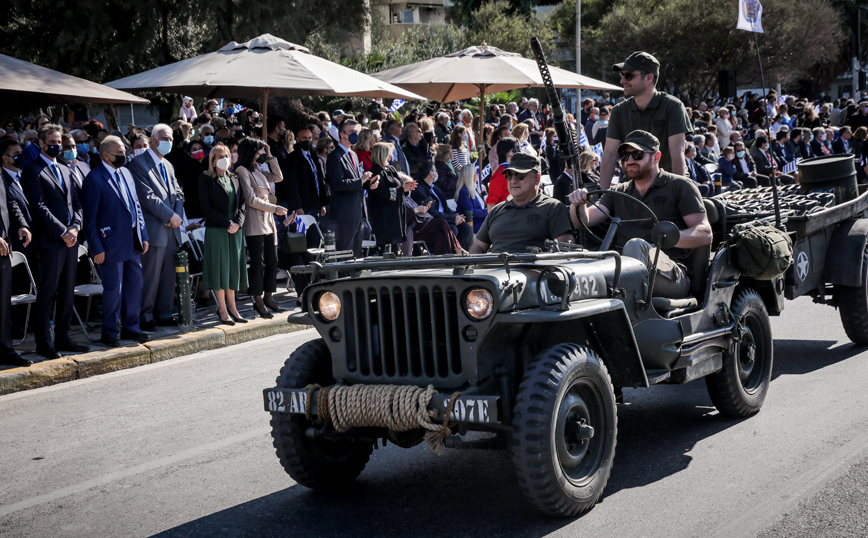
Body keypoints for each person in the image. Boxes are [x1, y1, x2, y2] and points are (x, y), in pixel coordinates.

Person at [569, 130, 711, 298]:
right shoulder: (619, 191)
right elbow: (584, 220)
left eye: (637, 155)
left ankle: (627, 304)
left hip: (671, 273)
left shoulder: (679, 186)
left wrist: (667, 238)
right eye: (624, 156)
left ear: (656, 157)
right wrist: (577, 203)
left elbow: (704, 233)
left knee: (635, 245)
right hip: (622, 269)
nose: (629, 161)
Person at [21, 124, 89, 358]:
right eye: (52, 142)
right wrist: (63, 232)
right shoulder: (33, 170)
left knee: (68, 291)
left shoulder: (66, 169)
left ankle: (63, 336)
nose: (57, 146)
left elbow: (77, 203)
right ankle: (43, 342)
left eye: (59, 142)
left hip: (71, 239)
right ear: (41, 143)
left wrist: (76, 226)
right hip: (51, 241)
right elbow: (38, 207)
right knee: (48, 292)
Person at [81, 136, 150, 347]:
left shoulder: (126, 172)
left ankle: (132, 328)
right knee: (114, 290)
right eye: (119, 153)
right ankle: (110, 332)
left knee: (134, 287)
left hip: (132, 240)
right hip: (109, 244)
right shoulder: (94, 178)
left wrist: (143, 234)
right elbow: (89, 220)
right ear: (106, 155)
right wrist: (96, 247)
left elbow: (135, 205)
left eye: (124, 151)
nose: (124, 155)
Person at [600, 52, 692, 189]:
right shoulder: (619, 111)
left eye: (628, 75)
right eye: (622, 75)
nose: (622, 81)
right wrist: (603, 196)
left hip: (666, 185)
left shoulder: (672, 106)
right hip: (631, 187)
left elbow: (677, 153)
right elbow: (610, 154)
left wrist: (680, 194)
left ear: (649, 77)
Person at [128, 123, 186, 331]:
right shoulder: (138, 164)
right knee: (150, 276)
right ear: (153, 140)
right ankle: (145, 315)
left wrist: (177, 216)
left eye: (171, 139)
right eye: (165, 139)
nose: (169, 143)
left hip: (172, 229)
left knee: (168, 276)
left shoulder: (168, 165)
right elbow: (146, 197)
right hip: (154, 228)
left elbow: (178, 193)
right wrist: (169, 215)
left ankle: (164, 313)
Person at [470, 153, 572, 254]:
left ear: (537, 178)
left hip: (533, 268)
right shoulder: (496, 211)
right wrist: (473, 264)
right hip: (495, 268)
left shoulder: (553, 208)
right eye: (509, 175)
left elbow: (564, 251)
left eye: (520, 175)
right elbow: (478, 245)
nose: (513, 181)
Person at [236, 137, 286, 319]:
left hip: (269, 219)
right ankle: (257, 299)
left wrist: (271, 155)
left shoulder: (257, 168)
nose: (261, 153)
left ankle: (268, 297)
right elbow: (250, 199)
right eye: (259, 150)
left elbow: (278, 177)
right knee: (258, 263)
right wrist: (274, 208)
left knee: (273, 260)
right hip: (255, 220)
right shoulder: (241, 170)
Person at [198, 144, 247, 326]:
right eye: (220, 156)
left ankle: (233, 308)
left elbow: (242, 203)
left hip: (235, 230)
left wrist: (238, 223)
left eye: (226, 154)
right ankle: (222, 310)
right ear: (212, 160)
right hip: (217, 230)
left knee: (232, 269)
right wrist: (227, 223)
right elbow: (206, 207)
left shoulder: (234, 177)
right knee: (220, 270)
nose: (224, 158)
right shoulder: (205, 179)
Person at [327, 118, 378, 257]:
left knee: (356, 252)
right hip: (344, 214)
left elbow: (358, 180)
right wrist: (360, 181)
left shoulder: (353, 154)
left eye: (357, 131)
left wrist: (369, 184)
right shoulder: (335, 156)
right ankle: (344, 277)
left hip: (358, 212)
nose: (355, 134)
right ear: (342, 134)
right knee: (345, 252)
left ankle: (354, 276)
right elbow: (338, 184)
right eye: (351, 132)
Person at [0, 151, 32, 366]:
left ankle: (5, 349)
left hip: (4, 250)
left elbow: (10, 202)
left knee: (3, 303)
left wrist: (22, 224)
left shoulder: (1, 175)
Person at [411, 161, 473, 250]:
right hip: (431, 223)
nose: (437, 173)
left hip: (444, 219)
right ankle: (448, 255)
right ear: (431, 173)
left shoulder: (434, 188)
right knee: (452, 229)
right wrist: (452, 218)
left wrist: (456, 216)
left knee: (465, 228)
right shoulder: (419, 191)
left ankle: (458, 255)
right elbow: (432, 212)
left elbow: (444, 207)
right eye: (435, 171)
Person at [368, 142, 415, 251]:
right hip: (384, 214)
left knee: (396, 246)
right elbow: (383, 193)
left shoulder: (391, 169)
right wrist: (402, 189)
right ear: (382, 155)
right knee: (386, 246)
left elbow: (399, 185)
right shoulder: (375, 172)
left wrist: (407, 187)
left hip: (396, 213)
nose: (391, 157)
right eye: (389, 154)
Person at [283, 128, 329, 220]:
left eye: (309, 138)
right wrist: (297, 206)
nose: (307, 140)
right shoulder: (292, 158)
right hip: (303, 204)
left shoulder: (313, 156)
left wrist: (323, 203)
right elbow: (292, 185)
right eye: (304, 138)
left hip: (315, 203)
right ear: (298, 139)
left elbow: (320, 179)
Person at [485, 137, 520, 209]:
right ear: (507, 152)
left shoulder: (514, 170)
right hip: (504, 217)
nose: (518, 151)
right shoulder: (501, 173)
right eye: (515, 148)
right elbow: (491, 203)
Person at [454, 164, 488, 233]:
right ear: (470, 175)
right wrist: (488, 211)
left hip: (482, 224)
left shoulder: (474, 189)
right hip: (473, 226)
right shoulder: (463, 191)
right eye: (476, 172)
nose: (478, 174)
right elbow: (470, 212)